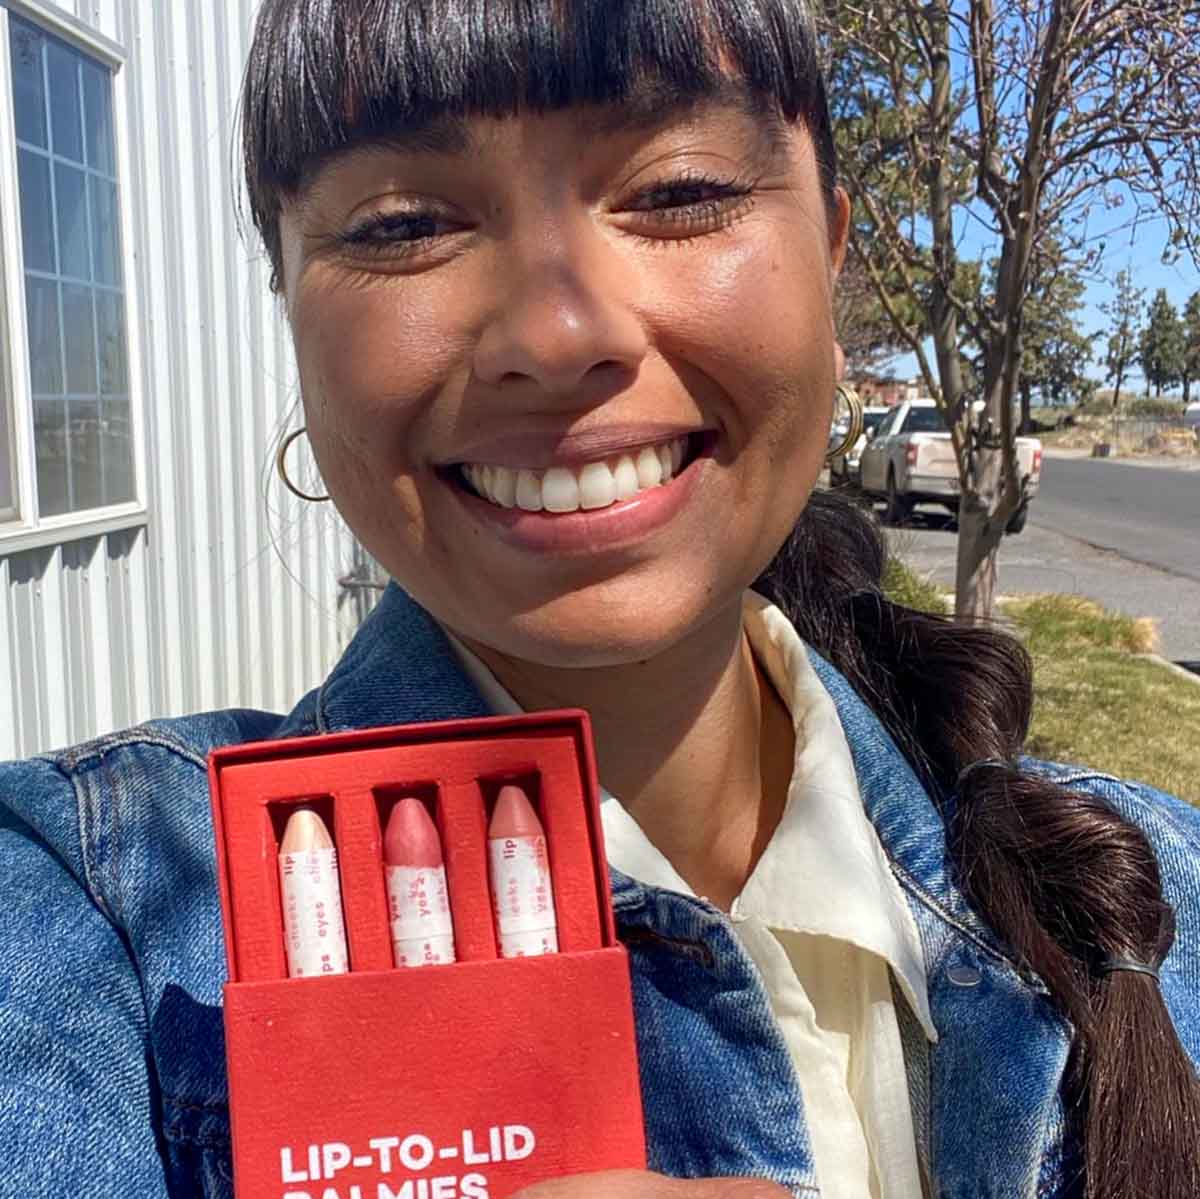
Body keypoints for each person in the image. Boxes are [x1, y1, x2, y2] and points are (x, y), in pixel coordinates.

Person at [2, 1, 1198, 1196]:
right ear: (294, 310)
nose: (558, 330)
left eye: (678, 191)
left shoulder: (1159, 895)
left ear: (832, 254)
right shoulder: (89, 911)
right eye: (405, 222)